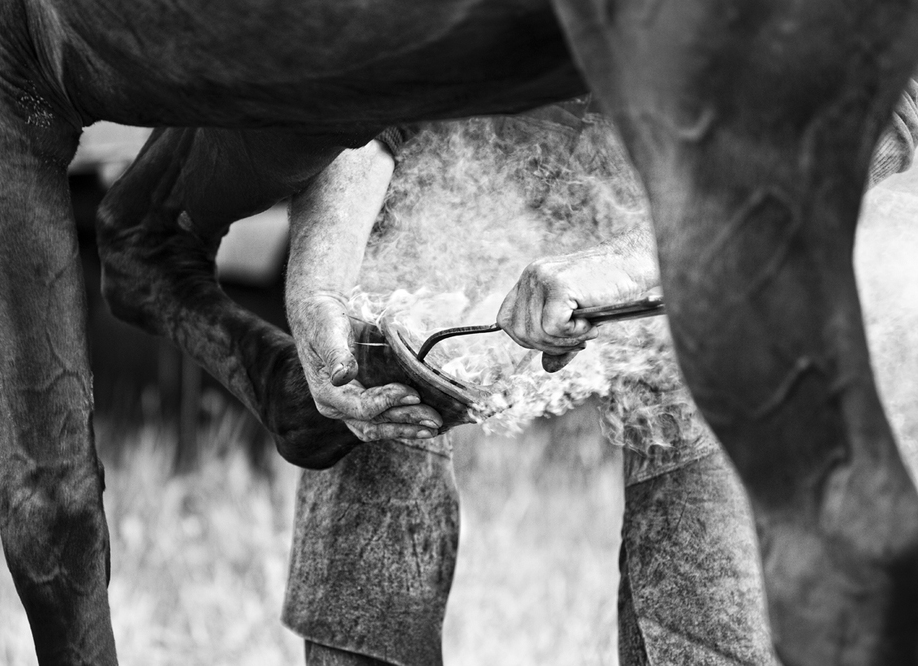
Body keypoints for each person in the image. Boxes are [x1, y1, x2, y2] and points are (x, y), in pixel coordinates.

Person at [280, 83, 918, 666]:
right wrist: (320, 288)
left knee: (709, 602)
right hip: (459, 177)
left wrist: (638, 263)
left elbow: (875, 136)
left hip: (709, 214)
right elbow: (357, 98)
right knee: (372, 389)